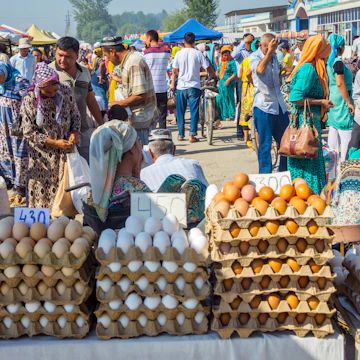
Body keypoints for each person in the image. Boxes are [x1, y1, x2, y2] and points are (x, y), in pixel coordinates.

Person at [20, 62, 81, 208]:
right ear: (39, 87)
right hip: (41, 156)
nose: (53, 94)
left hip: (64, 152)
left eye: (55, 90)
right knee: (42, 191)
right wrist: (54, 142)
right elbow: (28, 131)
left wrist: (75, 132)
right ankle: (41, 226)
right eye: (48, 92)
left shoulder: (65, 91)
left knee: (63, 188)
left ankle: (62, 222)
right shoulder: (29, 100)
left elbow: (76, 115)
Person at [287, 35, 335, 194]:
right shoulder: (308, 69)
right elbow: (295, 97)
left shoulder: (314, 67)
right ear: (318, 51)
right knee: (307, 164)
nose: (327, 56)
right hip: (304, 125)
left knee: (310, 162)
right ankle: (309, 200)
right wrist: (320, 102)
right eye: (325, 52)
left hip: (309, 123)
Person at [50, 37, 103, 163]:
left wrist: (102, 125)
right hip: (58, 135)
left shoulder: (84, 71)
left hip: (82, 131)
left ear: (77, 55)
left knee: (87, 169)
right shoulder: (49, 71)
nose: (62, 60)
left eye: (68, 56)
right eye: (59, 55)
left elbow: (90, 99)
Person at [89, 120, 151, 221]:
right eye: (138, 141)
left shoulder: (97, 191)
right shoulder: (136, 187)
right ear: (131, 148)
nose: (141, 147)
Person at [102, 36, 158, 145]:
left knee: (143, 158)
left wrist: (118, 104)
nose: (107, 60)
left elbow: (141, 95)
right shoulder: (127, 62)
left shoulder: (133, 62)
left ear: (112, 52)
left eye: (106, 56)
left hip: (141, 121)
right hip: (136, 120)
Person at [250, 33, 289, 174]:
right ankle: (265, 177)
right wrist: (268, 54)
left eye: (273, 47)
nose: (271, 50)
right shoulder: (255, 57)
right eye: (268, 47)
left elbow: (277, 77)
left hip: (279, 106)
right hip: (264, 106)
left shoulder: (274, 57)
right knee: (265, 145)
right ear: (261, 45)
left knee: (286, 143)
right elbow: (259, 70)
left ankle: (283, 173)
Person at [171, 32, 216, 143]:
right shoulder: (198, 54)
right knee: (194, 110)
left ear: (184, 41)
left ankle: (181, 135)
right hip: (194, 86)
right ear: (194, 41)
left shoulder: (179, 54)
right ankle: (192, 135)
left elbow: (174, 70)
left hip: (181, 86)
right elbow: (208, 66)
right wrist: (214, 75)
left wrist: (173, 83)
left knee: (180, 111)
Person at [140, 129, 208, 192]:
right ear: (174, 150)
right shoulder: (192, 164)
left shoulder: (144, 173)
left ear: (150, 153)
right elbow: (206, 190)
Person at [0, 61, 29, 198]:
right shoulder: (1, 85)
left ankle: (21, 184)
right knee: (6, 152)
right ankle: (11, 180)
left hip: (17, 126)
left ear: (5, 72)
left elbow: (30, 101)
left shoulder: (20, 82)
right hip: (3, 126)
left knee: (20, 154)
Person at [327, 34, 354, 163]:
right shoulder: (337, 62)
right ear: (341, 47)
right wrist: (348, 102)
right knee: (346, 136)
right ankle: (344, 166)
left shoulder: (329, 61)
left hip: (333, 100)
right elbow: (340, 83)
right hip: (342, 102)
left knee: (333, 135)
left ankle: (331, 168)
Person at [144, 30, 171, 129]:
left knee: (150, 115)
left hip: (150, 89)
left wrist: (146, 48)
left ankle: (152, 135)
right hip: (163, 87)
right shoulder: (166, 51)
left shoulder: (146, 53)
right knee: (162, 116)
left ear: (149, 39)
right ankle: (163, 135)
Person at [232, 33, 254, 140]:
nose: (249, 44)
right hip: (243, 81)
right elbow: (233, 55)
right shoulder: (240, 52)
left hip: (255, 81)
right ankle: (240, 131)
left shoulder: (255, 52)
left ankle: (253, 130)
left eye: (251, 42)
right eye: (248, 42)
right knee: (242, 104)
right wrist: (243, 42)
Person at [239, 40, 259, 145]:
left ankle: (245, 137)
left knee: (244, 111)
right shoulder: (257, 59)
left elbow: (240, 74)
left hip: (244, 88)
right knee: (254, 110)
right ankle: (255, 136)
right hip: (254, 86)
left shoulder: (245, 60)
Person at [215, 46, 237, 123]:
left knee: (228, 98)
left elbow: (235, 73)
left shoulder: (232, 62)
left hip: (229, 83)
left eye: (227, 55)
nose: (226, 56)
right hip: (221, 83)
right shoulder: (221, 63)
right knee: (221, 98)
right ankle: (223, 115)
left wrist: (228, 80)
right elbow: (218, 71)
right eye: (224, 55)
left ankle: (229, 114)